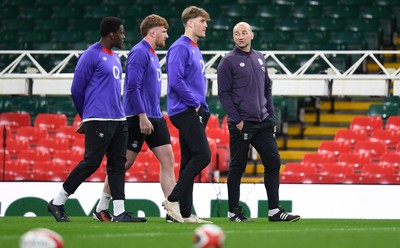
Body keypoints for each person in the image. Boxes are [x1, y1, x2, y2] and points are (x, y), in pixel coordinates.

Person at [47, 17, 146, 223]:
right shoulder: (90, 55)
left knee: (118, 165)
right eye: (121, 32)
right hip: (98, 118)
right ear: (112, 35)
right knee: (91, 163)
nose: (124, 36)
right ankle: (57, 202)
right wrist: (87, 116)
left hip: (119, 118)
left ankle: (119, 212)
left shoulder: (116, 57)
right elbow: (76, 90)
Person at [93, 14, 177, 223]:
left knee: (168, 159)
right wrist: (141, 116)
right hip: (137, 117)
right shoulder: (139, 52)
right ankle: (102, 207)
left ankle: (172, 209)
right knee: (124, 163)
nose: (166, 35)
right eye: (164, 31)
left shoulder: (152, 54)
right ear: (152, 32)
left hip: (155, 116)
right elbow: (132, 86)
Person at [217, 22, 300, 222]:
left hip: (263, 122)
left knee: (273, 162)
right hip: (242, 123)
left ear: (252, 35)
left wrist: (271, 116)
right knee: (238, 166)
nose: (240, 36)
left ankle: (274, 211)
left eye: (244, 33)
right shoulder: (227, 61)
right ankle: (234, 212)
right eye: (236, 33)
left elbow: (267, 88)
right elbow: (223, 94)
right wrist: (237, 120)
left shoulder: (260, 57)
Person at [162, 6, 212, 223]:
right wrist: (196, 105)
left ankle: (183, 213)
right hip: (184, 110)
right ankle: (172, 199)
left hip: (193, 110)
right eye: (202, 21)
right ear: (190, 22)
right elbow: (176, 80)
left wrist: (203, 107)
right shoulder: (179, 47)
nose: (206, 25)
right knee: (204, 155)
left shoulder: (194, 48)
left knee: (189, 159)